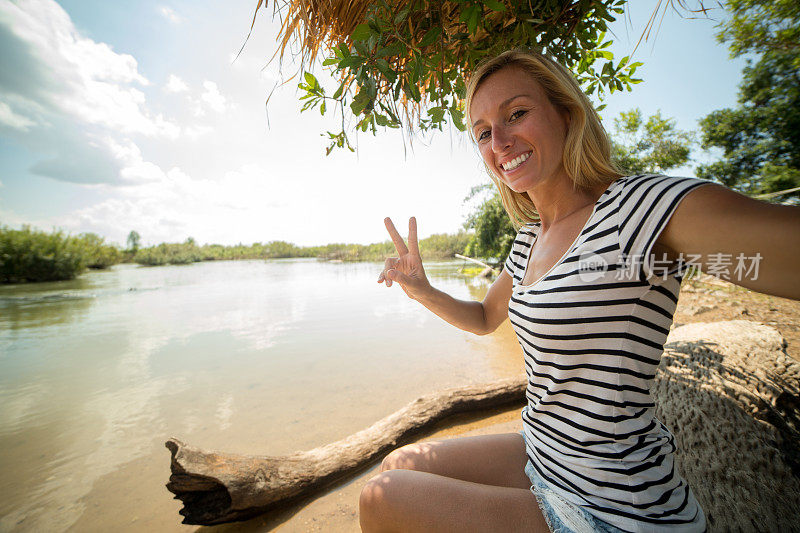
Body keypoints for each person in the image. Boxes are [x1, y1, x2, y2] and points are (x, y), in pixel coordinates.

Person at [358, 49, 800, 532]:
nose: (500, 141)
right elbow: (485, 318)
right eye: (483, 132)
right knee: (399, 464)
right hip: (543, 454)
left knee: (382, 499)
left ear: (567, 114)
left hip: (614, 506)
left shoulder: (639, 210)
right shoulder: (529, 238)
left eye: (516, 114)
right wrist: (421, 289)